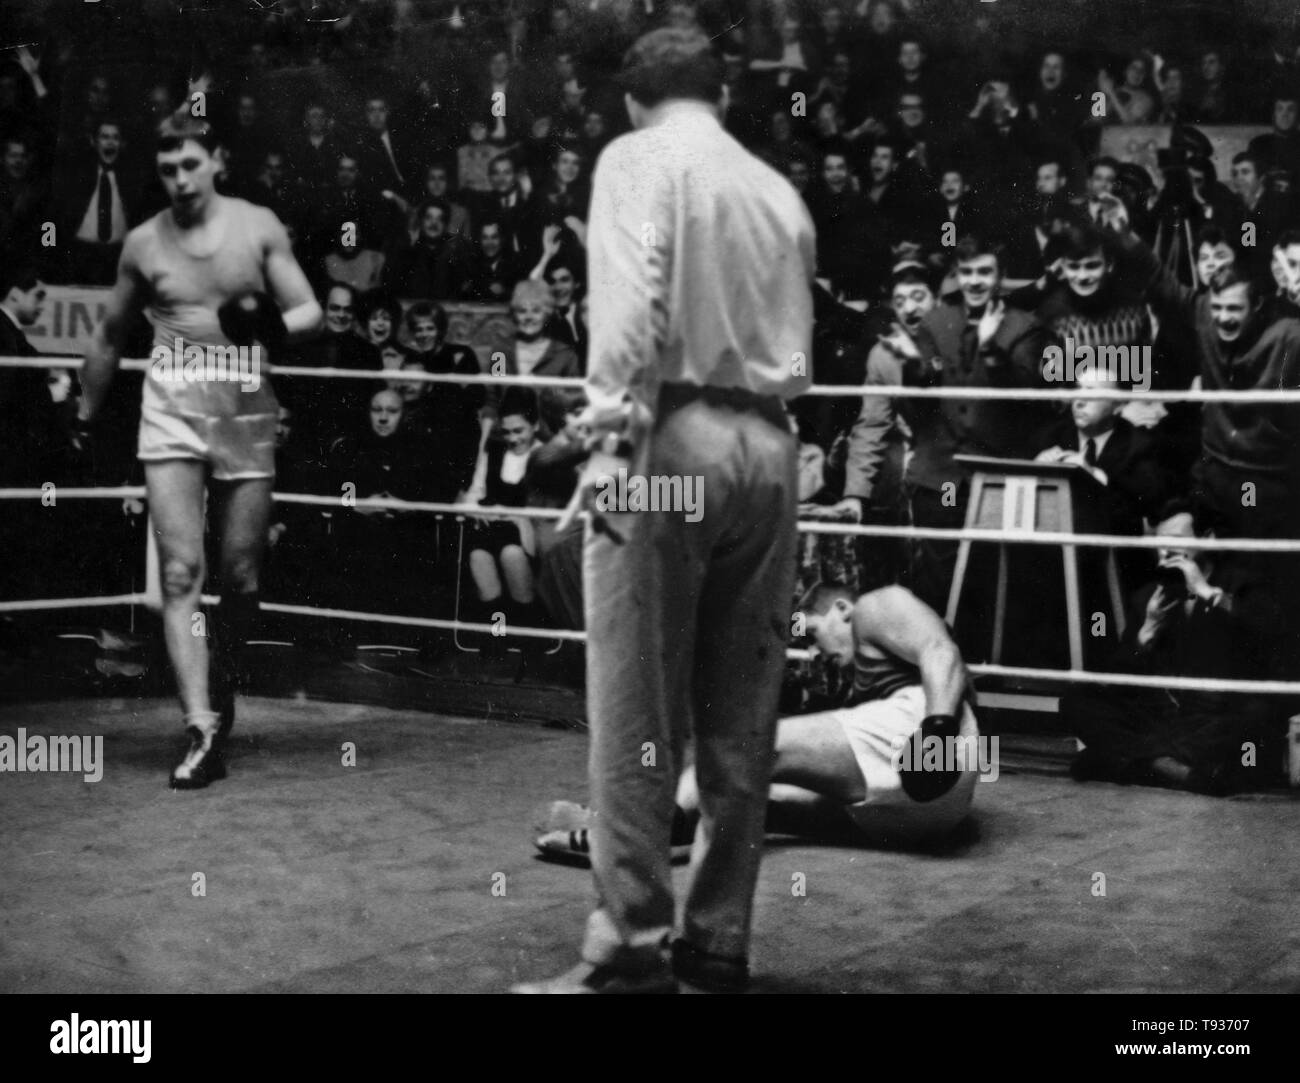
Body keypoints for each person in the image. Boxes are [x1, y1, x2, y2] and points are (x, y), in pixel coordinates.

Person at [513, 27, 815, 995]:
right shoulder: (777, 190)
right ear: (720, 96)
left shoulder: (636, 157)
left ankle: (630, 947)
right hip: (771, 447)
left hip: (669, 439)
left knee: (635, 702)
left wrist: (606, 442)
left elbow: (634, 307)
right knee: (744, 712)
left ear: (634, 99)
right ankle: (717, 942)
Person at [74, 117, 323, 789]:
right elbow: (106, 333)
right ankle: (200, 725)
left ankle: (223, 678)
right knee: (182, 571)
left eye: (190, 164)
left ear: (217, 161)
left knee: (241, 578)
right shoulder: (144, 243)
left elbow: (309, 310)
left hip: (244, 404)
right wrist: (85, 415)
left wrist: (268, 322)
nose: (179, 179)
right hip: (171, 409)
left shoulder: (258, 225)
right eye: (167, 169)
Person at [534, 583, 982, 861]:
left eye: (811, 632)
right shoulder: (871, 678)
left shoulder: (876, 605)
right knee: (758, 799)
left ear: (842, 608)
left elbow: (942, 652)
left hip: (936, 740)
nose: (814, 652)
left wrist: (938, 731)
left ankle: (638, 833)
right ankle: (628, 826)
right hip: (930, 818)